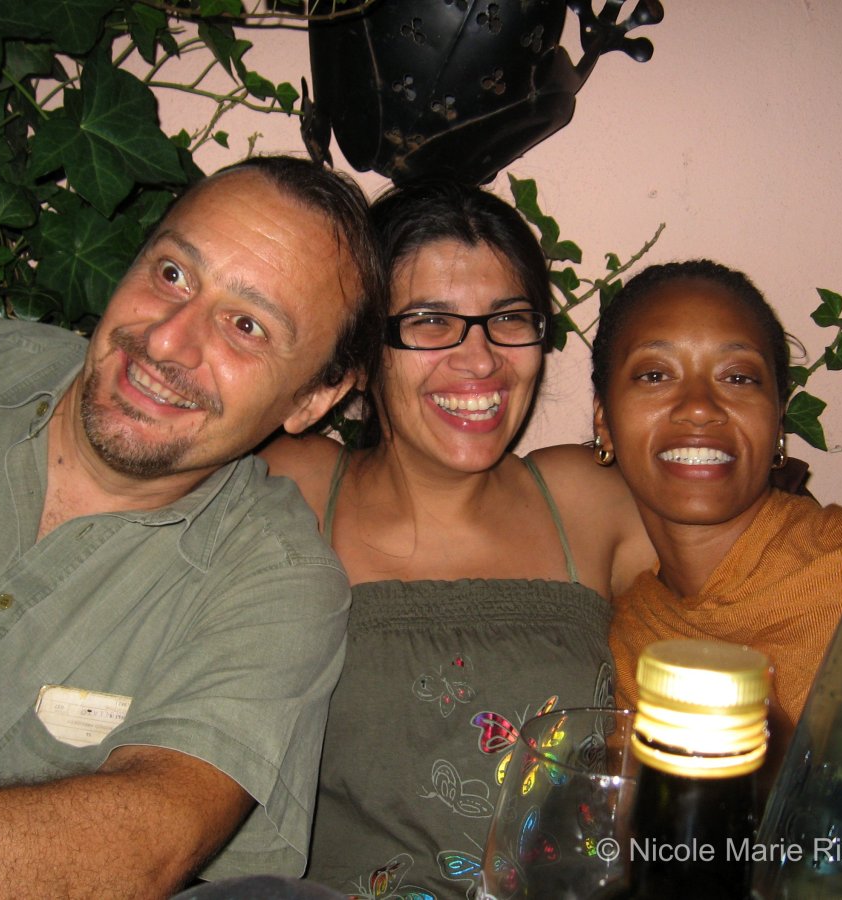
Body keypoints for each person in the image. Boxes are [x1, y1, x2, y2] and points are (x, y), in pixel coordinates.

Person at [0, 155, 385, 897]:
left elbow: (145, 843)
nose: (168, 340)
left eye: (246, 326)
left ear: (313, 399)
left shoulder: (277, 585)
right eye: (172, 274)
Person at [260, 180, 653, 898]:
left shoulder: (585, 498)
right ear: (363, 349)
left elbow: (752, 581)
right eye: (431, 322)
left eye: (508, 319)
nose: (481, 360)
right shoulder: (298, 486)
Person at [588, 259, 842, 767]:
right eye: (655, 375)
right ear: (604, 422)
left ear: (778, 421)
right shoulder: (631, 638)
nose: (699, 406)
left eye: (739, 378)